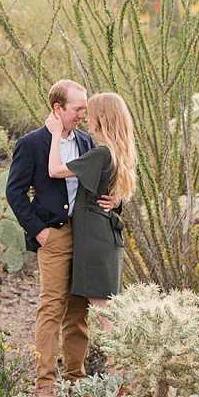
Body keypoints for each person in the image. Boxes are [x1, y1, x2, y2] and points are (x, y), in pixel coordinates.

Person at [5, 79, 119, 397]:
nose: (83, 115)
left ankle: (75, 380)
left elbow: (104, 183)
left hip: (87, 235)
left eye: (85, 109)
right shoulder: (32, 143)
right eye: (77, 109)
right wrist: (39, 231)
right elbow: (15, 192)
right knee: (51, 307)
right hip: (53, 234)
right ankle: (45, 385)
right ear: (58, 109)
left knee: (78, 310)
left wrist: (116, 203)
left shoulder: (87, 142)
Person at [49, 91, 137, 328]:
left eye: (91, 115)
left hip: (94, 236)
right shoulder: (117, 154)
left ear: (103, 119)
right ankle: (122, 363)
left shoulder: (101, 154)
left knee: (104, 312)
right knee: (110, 310)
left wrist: (56, 133)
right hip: (106, 234)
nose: (86, 119)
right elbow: (114, 195)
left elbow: (54, 170)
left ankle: (120, 365)